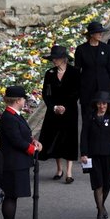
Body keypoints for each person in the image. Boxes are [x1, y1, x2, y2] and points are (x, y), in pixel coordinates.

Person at [0, 86, 41, 219]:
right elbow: (16, 140)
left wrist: (33, 142)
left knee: (13, 196)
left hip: (17, 162)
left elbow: (23, 135)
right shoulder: (9, 117)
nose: (24, 101)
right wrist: (32, 149)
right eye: (23, 99)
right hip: (12, 163)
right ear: (17, 100)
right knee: (11, 195)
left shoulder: (15, 115)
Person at [39, 45, 81, 184]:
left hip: (70, 111)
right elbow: (46, 94)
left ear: (63, 59)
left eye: (56, 58)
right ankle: (59, 169)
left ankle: (69, 172)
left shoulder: (74, 72)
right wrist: (54, 107)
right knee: (55, 140)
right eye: (52, 59)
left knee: (69, 140)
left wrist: (65, 106)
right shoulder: (50, 73)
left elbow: (76, 92)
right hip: (54, 112)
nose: (53, 61)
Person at [79, 93, 110, 219]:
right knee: (98, 183)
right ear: (96, 104)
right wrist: (84, 153)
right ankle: (100, 211)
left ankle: (101, 206)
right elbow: (84, 136)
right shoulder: (89, 118)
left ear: (108, 105)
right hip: (94, 155)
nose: (102, 106)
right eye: (100, 103)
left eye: (104, 103)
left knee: (107, 183)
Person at [74, 21, 110, 113]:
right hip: (88, 88)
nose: (101, 34)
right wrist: (77, 91)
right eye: (98, 32)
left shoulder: (106, 48)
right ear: (91, 34)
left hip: (104, 87)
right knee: (88, 114)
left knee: (105, 113)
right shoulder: (81, 49)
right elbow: (77, 71)